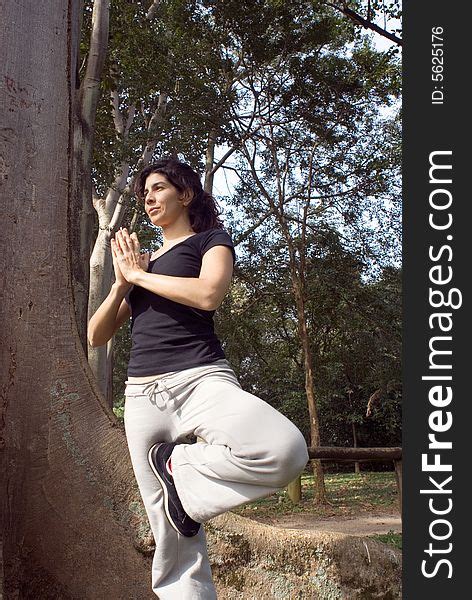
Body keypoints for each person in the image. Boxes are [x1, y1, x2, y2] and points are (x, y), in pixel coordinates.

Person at [87, 157, 309, 599]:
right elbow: (96, 335)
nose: (148, 198)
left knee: (284, 450)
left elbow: (209, 294)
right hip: (142, 396)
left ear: (184, 194)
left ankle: (177, 468)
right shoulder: (142, 265)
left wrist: (141, 275)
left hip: (202, 378)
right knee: (173, 535)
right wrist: (121, 284)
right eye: (144, 193)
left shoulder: (210, 241)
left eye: (157, 188)